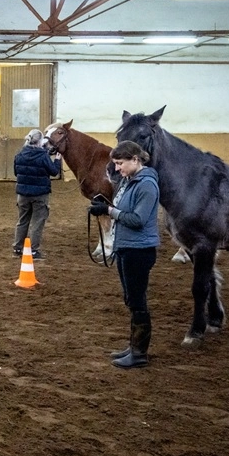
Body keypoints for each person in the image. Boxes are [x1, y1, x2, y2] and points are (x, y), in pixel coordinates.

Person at [89, 140, 160, 369]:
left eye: (120, 163)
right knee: (132, 299)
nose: (117, 168)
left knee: (137, 300)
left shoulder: (146, 185)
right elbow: (124, 209)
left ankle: (139, 353)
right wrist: (105, 204)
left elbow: (138, 219)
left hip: (139, 250)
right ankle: (134, 346)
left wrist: (109, 211)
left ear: (135, 160)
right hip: (127, 248)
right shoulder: (130, 181)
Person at [12, 128, 62, 260]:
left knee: (22, 220)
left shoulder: (19, 154)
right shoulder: (43, 156)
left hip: (22, 194)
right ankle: (34, 250)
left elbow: (16, 173)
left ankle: (17, 247)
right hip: (40, 194)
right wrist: (57, 159)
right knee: (37, 222)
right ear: (40, 141)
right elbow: (54, 172)